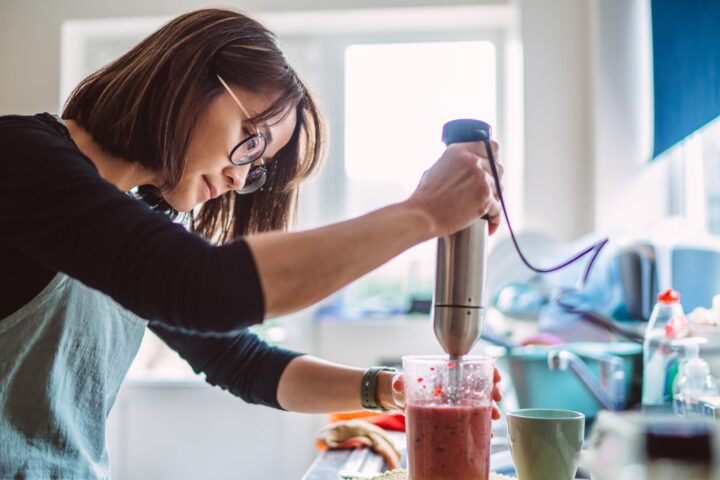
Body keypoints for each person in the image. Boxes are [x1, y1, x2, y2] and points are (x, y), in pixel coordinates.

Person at [0, 8, 504, 477]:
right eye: (251, 137)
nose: (240, 180)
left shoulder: (129, 223)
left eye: (256, 166)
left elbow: (240, 361)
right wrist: (424, 213)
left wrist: (391, 391)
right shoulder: (22, 159)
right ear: (189, 80)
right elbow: (207, 286)